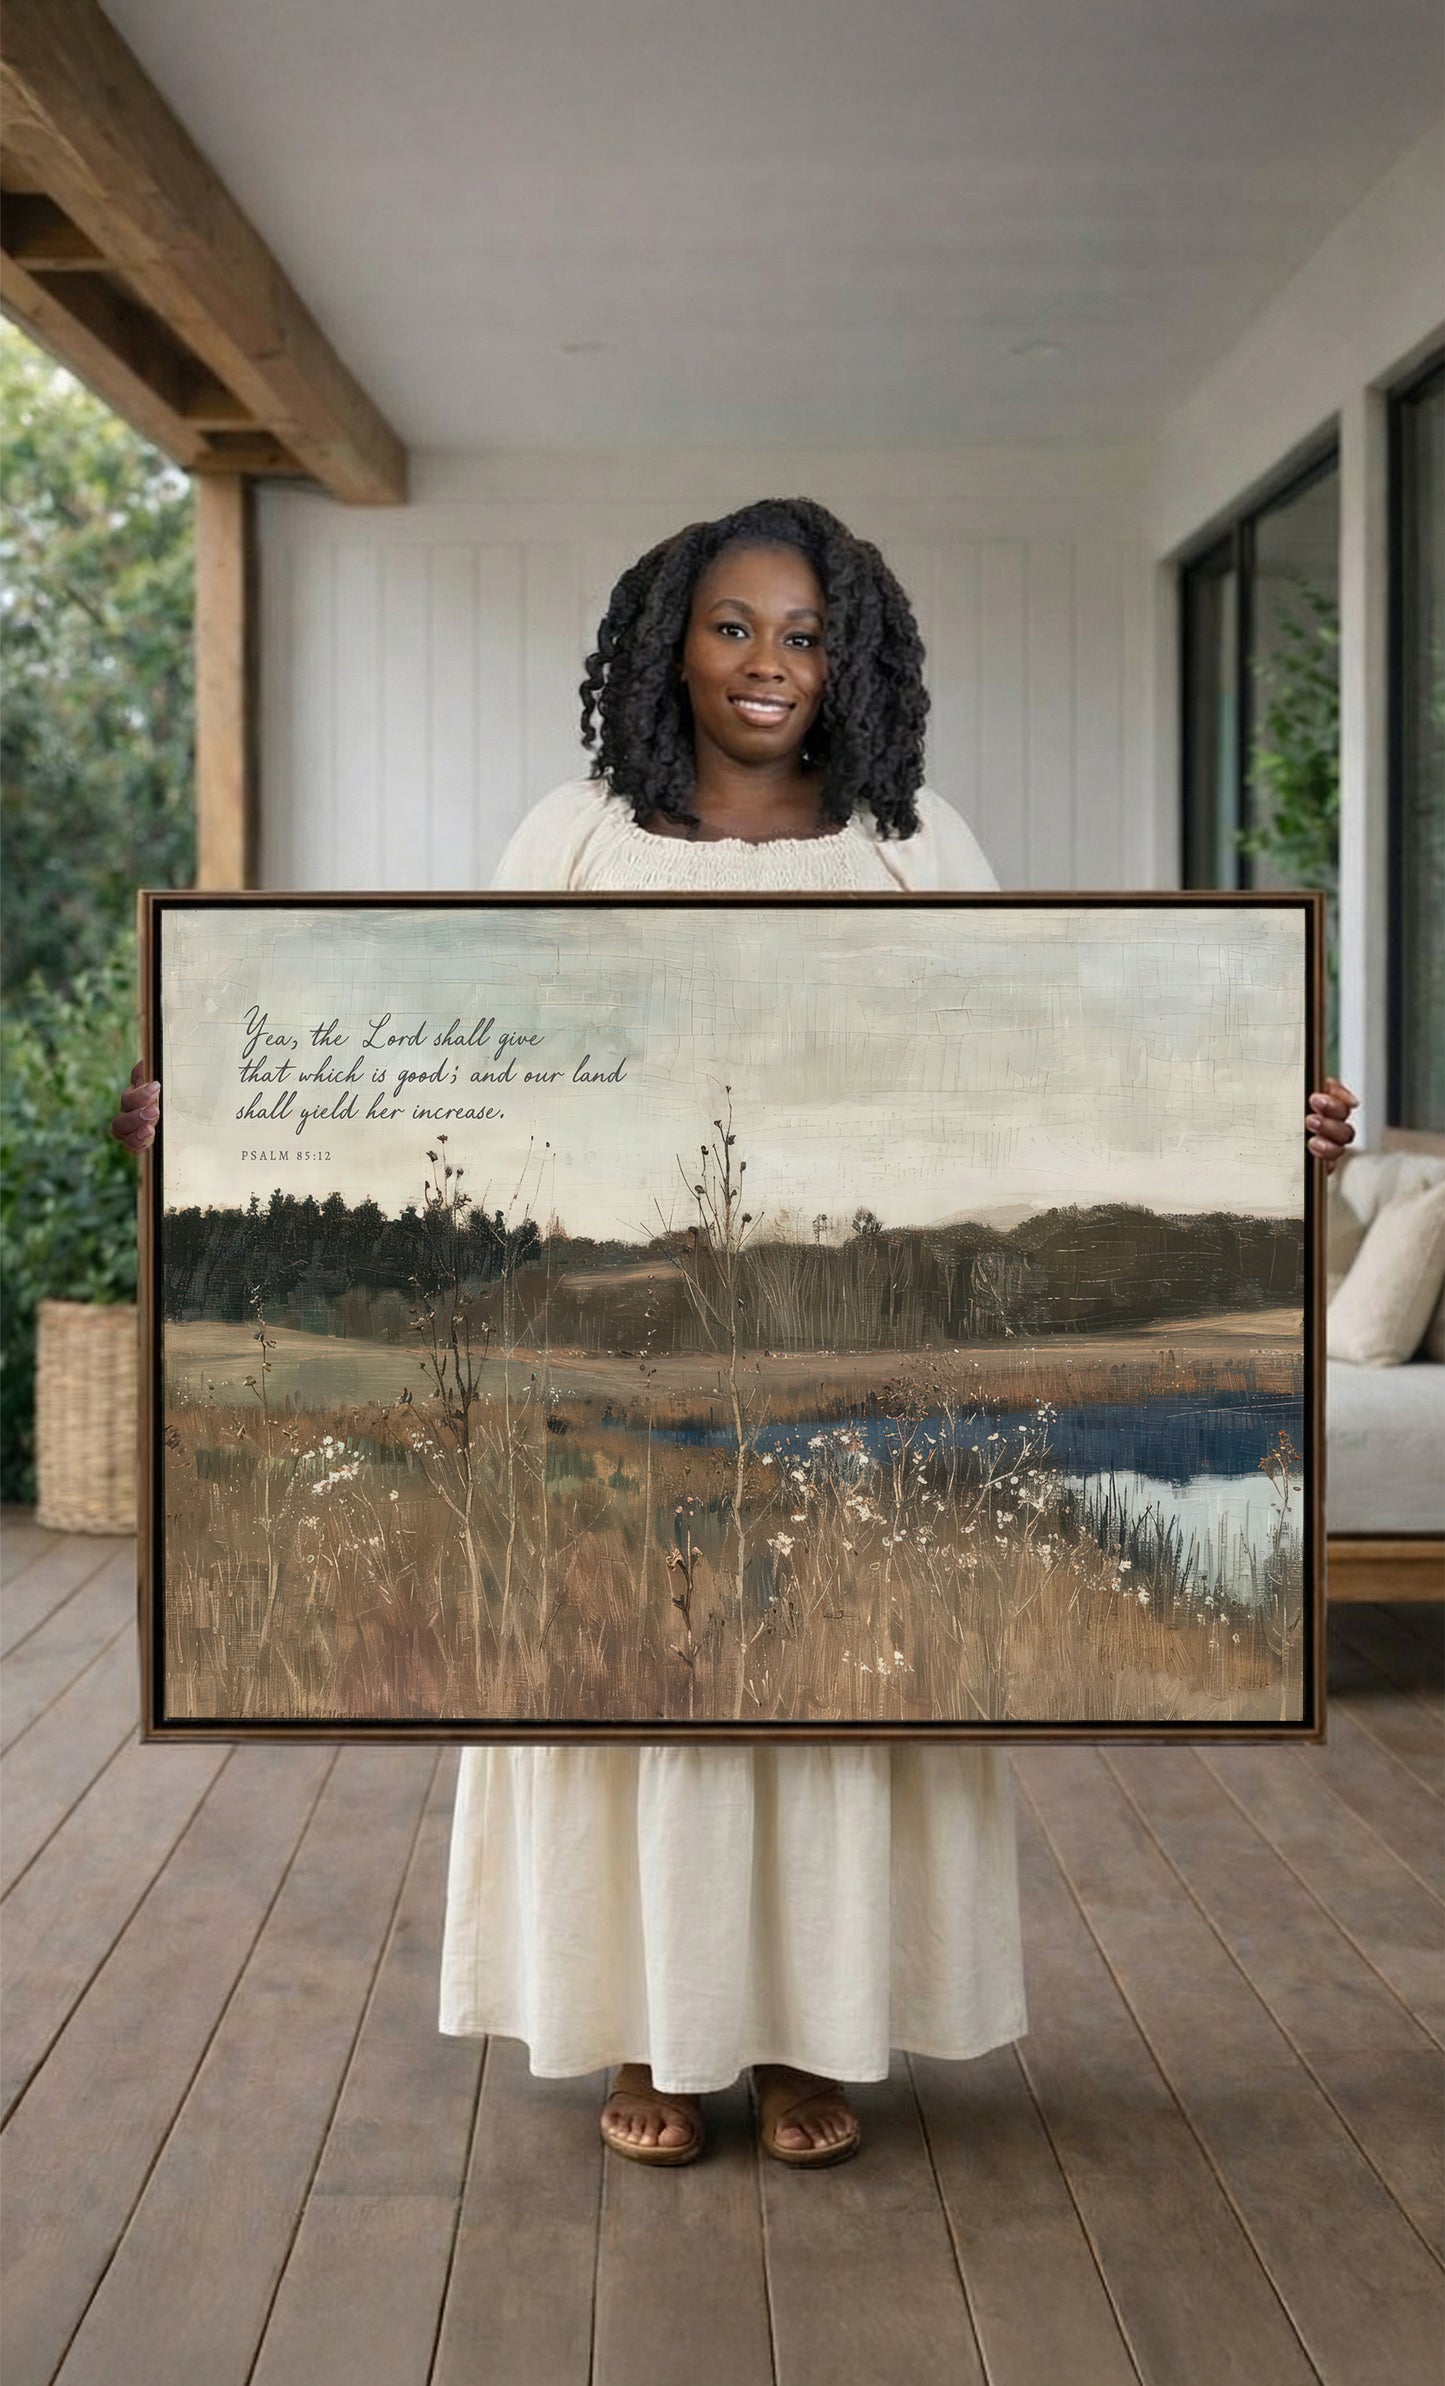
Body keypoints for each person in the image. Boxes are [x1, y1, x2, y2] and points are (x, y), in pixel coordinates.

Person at [113, 495, 1358, 2169]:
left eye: (805, 633)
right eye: (732, 626)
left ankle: (799, 2038)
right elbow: (449, 1065)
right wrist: (204, 1123)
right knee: (628, 1675)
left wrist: (1258, 1127)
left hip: (841, 1312)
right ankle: (646, 2029)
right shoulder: (572, 838)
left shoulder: (914, 846)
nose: (769, 662)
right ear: (670, 645)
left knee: (832, 1676)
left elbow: (1034, 1071)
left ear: (852, 659)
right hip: (637, 1320)